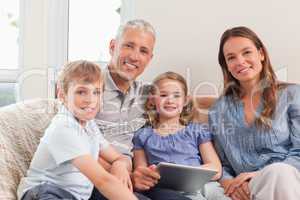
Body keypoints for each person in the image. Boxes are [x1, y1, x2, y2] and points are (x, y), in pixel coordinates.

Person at [17, 60, 137, 200]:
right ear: (62, 95)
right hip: (45, 192)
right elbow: (103, 181)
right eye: (81, 92)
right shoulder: (63, 127)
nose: (90, 100)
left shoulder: (89, 124)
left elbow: (118, 157)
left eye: (96, 92)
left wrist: (120, 166)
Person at [209, 26, 300, 200]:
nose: (240, 61)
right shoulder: (219, 110)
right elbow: (223, 164)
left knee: (278, 173)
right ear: (227, 66)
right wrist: (231, 183)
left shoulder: (293, 94)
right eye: (231, 58)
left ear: (261, 54)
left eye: (246, 52)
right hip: (247, 186)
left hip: (289, 178)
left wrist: (259, 174)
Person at [93, 19, 163, 197]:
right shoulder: (88, 87)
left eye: (143, 51)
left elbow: (186, 99)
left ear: (149, 59)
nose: (134, 56)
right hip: (95, 179)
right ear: (112, 46)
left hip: (129, 179)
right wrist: (119, 169)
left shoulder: (146, 94)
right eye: (129, 46)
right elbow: (73, 145)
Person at [132, 71, 229, 200]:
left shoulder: (197, 131)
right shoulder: (143, 136)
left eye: (176, 95)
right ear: (152, 100)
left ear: (185, 101)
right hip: (173, 191)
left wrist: (188, 175)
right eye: (163, 95)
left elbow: (215, 168)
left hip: (206, 185)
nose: (170, 100)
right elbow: (142, 174)